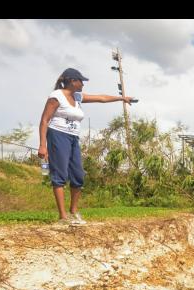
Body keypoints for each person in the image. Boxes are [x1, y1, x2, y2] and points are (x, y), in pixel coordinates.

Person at [38, 67, 134, 226]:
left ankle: (74, 212)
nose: (83, 83)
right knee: (60, 175)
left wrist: (122, 98)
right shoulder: (56, 96)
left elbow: (101, 98)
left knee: (78, 175)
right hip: (57, 135)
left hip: (73, 138)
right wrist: (43, 145)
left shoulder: (77, 97)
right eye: (80, 80)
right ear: (72, 81)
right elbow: (44, 120)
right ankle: (63, 217)